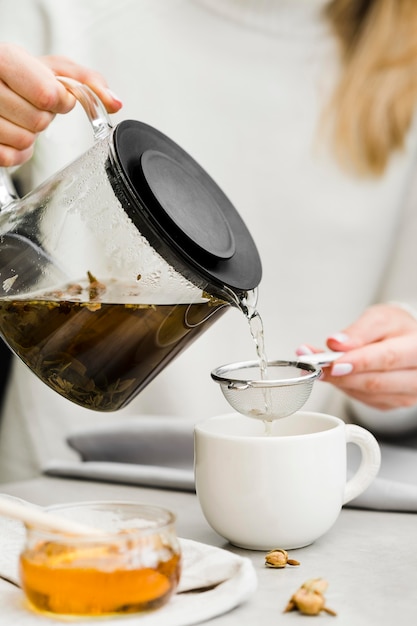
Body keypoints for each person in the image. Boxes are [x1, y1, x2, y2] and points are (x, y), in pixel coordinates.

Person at [1, 0, 417, 483]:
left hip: (307, 489)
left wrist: (399, 366)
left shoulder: (404, 54)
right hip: (61, 486)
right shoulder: (61, 11)